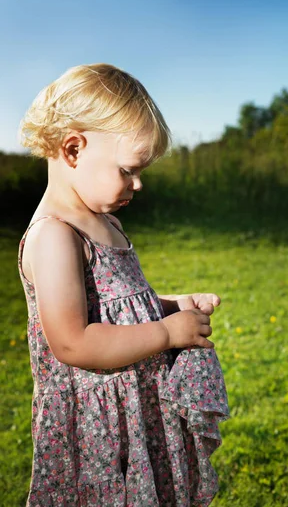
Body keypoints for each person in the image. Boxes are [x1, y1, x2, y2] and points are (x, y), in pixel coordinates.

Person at [17, 64, 229, 506]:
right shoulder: (55, 236)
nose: (139, 183)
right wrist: (167, 333)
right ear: (73, 149)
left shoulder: (106, 222)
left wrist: (170, 306)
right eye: (128, 170)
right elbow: (74, 342)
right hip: (98, 427)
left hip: (136, 407)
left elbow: (117, 306)